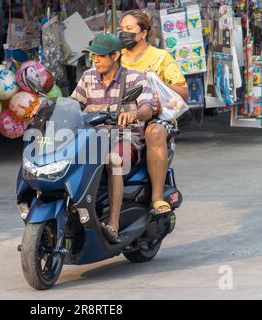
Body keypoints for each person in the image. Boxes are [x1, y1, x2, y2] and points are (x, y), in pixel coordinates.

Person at [71, 32, 159, 243]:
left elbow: (148, 107)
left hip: (125, 136)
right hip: (92, 136)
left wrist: (134, 114)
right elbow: (73, 104)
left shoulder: (135, 78)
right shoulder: (88, 77)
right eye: (94, 56)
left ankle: (113, 223)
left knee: (113, 160)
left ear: (116, 55)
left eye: (101, 56)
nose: (96, 60)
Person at [119, 10, 189, 214]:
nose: (124, 33)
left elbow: (183, 93)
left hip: (157, 117)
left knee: (154, 132)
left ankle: (157, 197)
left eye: (129, 29)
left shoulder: (161, 57)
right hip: (121, 116)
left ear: (143, 33)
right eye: (122, 29)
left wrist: (158, 83)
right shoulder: (116, 57)